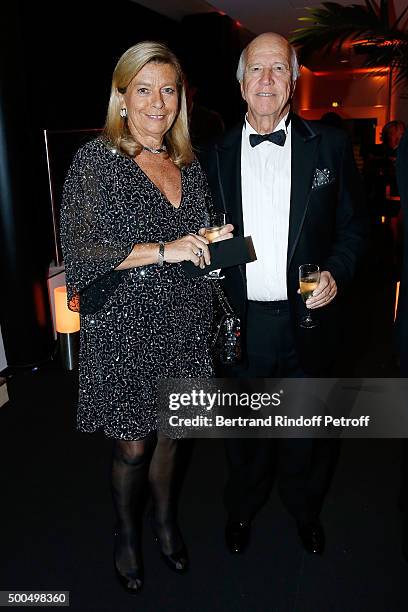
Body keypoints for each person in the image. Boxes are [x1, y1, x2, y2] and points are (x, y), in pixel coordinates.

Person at [60, 41, 232, 594]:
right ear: (122, 96)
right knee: (133, 444)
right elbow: (81, 252)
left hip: (184, 321)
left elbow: (192, 240)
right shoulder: (96, 160)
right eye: (144, 89)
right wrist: (165, 248)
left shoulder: (189, 162)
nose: (158, 102)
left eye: (168, 89)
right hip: (127, 326)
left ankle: (164, 521)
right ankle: (126, 531)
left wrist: (208, 241)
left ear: (180, 99)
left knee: (172, 436)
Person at [200, 32, 367, 556]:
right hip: (241, 323)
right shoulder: (210, 157)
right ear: (241, 83)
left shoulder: (332, 148)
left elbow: (356, 229)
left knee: (305, 434)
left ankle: (305, 509)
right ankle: (242, 509)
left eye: (278, 69)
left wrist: (337, 271)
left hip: (309, 322)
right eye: (256, 70)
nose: (267, 79)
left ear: (294, 81)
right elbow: (196, 241)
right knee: (244, 433)